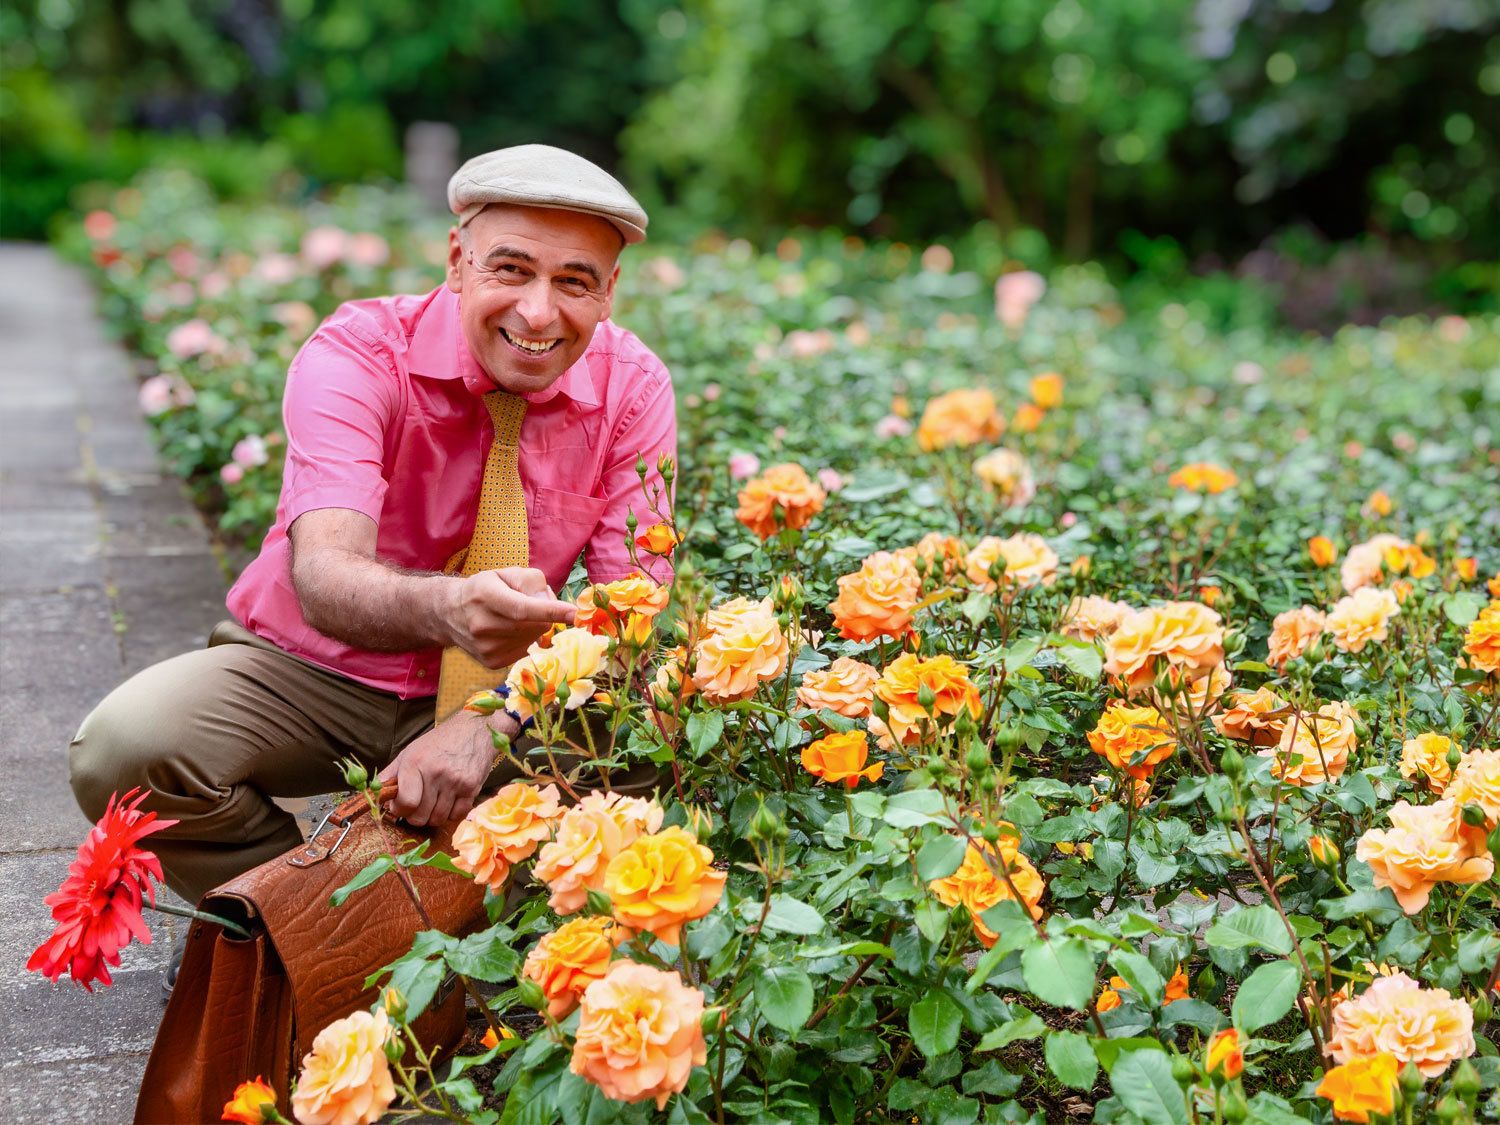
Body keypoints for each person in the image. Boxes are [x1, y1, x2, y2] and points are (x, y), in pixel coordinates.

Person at [67, 145, 676, 992]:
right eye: (510, 269)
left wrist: (489, 721)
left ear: (609, 291)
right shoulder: (359, 354)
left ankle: (461, 937)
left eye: (574, 282)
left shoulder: (633, 387)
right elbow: (325, 574)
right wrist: (453, 608)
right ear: (458, 260)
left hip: (506, 685)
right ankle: (281, 915)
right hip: (315, 673)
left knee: (655, 743)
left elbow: (628, 613)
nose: (539, 312)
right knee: (127, 748)